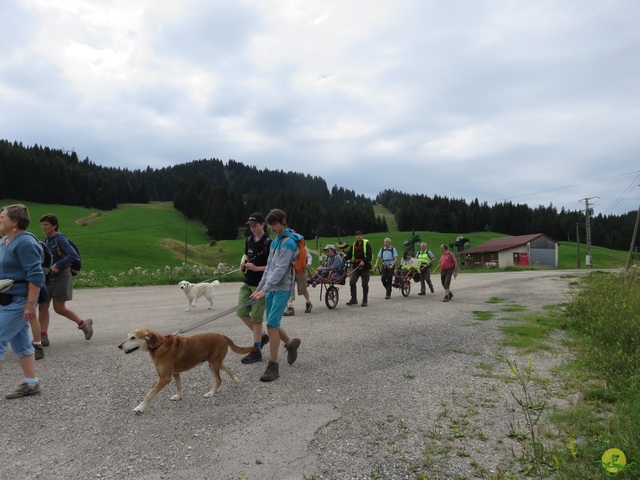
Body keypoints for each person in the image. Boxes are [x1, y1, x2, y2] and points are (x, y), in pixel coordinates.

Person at [250, 209, 302, 382]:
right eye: (271, 224)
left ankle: (273, 366)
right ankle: (290, 343)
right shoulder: (274, 243)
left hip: (282, 288)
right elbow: (270, 268)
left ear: (283, 222)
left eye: (275, 224)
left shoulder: (289, 243)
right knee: (273, 322)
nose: (272, 227)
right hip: (271, 288)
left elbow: (280, 270)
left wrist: (266, 289)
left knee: (271, 325)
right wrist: (259, 288)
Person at [0, 204, 45, 398]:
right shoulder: (4, 241)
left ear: (15, 222)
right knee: (21, 343)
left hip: (20, 301)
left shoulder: (26, 242)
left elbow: (35, 275)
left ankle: (31, 384)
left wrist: (30, 304)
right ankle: (31, 384)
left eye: (2, 217)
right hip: (5, 299)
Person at [38, 214, 93, 344]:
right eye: (42, 225)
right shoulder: (47, 240)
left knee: (59, 308)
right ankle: (43, 336)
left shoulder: (60, 238)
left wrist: (58, 265)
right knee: (43, 305)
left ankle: (84, 324)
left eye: (46, 224)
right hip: (50, 276)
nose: (43, 227)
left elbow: (72, 255)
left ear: (54, 225)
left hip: (63, 275)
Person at [236, 212, 271, 364]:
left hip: (260, 284)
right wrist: (243, 265)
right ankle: (262, 336)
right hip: (247, 280)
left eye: (255, 226)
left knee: (256, 318)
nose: (252, 229)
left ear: (263, 224)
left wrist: (256, 268)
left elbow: (272, 267)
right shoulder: (249, 240)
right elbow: (247, 256)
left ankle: (256, 350)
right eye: (250, 226)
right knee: (241, 312)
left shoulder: (269, 243)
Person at [343, 230, 373, 306]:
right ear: (355, 237)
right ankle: (353, 299)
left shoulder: (367, 245)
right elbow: (349, 255)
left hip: (365, 267)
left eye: (360, 235)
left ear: (362, 236)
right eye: (357, 235)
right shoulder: (353, 246)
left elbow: (369, 256)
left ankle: (365, 300)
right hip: (356, 266)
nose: (358, 236)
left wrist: (364, 261)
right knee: (352, 282)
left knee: (364, 284)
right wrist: (343, 259)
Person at [283, 241, 312, 316]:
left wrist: (308, 263)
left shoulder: (302, 247)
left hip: (301, 270)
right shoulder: (288, 247)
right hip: (291, 270)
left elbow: (309, 256)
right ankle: (290, 307)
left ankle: (308, 302)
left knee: (303, 289)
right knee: (290, 288)